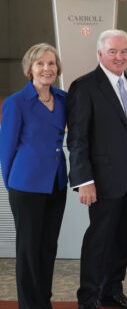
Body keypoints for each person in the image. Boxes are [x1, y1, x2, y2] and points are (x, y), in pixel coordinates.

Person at [67, 29, 127, 309]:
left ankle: (111, 291)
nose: (119, 56)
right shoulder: (85, 86)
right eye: (113, 51)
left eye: (123, 51)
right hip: (102, 178)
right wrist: (83, 180)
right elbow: (77, 138)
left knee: (123, 237)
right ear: (100, 53)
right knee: (99, 240)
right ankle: (88, 298)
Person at [0, 43, 68, 309]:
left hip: (56, 183)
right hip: (26, 185)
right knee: (28, 250)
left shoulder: (63, 99)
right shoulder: (16, 102)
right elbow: (6, 150)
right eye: (40, 63)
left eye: (51, 63)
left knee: (48, 246)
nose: (46, 68)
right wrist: (12, 186)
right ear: (30, 68)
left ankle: (43, 301)